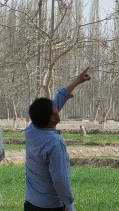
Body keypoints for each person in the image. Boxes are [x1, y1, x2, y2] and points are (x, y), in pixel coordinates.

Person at [24, 68, 91, 211]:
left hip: (30, 203)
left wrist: (77, 81)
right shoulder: (55, 143)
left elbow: (58, 100)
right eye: (55, 109)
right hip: (50, 207)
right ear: (52, 118)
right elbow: (60, 179)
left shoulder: (31, 130)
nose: (57, 108)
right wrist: (69, 204)